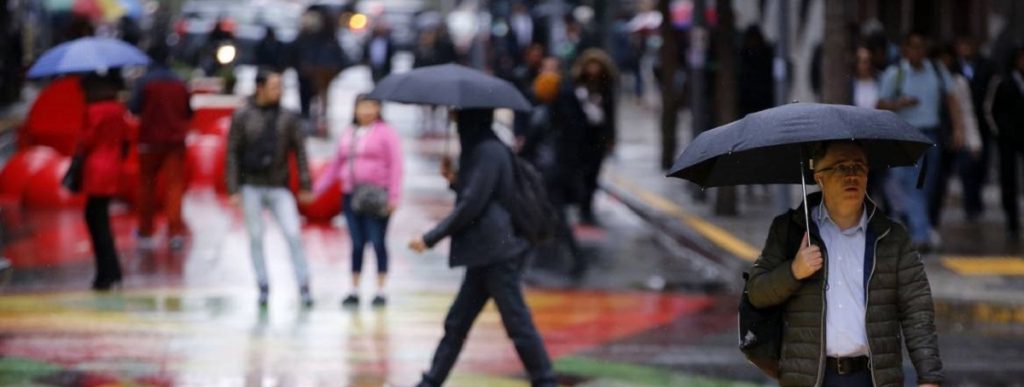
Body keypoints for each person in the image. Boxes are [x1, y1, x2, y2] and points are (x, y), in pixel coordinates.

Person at [746, 140, 943, 387]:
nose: (852, 175)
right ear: (820, 177)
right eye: (841, 167)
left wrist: (929, 378)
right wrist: (794, 272)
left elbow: (917, 310)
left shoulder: (892, 236)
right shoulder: (789, 231)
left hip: (873, 378)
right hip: (810, 378)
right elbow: (756, 292)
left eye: (858, 167)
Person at [409, 109, 556, 387]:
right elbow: (481, 196)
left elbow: (473, 204)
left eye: (459, 117)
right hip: (484, 252)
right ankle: (430, 382)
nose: (455, 121)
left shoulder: (488, 151)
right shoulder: (483, 147)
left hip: (497, 252)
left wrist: (431, 237)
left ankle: (546, 381)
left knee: (517, 323)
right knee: (457, 323)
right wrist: (455, 181)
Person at [226, 69, 315, 308]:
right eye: (275, 86)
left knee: (293, 234)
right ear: (260, 88)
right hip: (251, 186)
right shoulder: (243, 116)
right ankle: (263, 284)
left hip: (278, 185)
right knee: (256, 237)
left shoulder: (288, 117)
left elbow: (300, 152)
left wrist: (306, 184)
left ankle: (304, 283)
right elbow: (232, 152)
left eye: (281, 86)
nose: (279, 91)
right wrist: (233, 188)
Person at [876, 32, 963, 251]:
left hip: (930, 136)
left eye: (920, 46)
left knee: (925, 186)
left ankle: (915, 227)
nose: (917, 51)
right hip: (904, 135)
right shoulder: (895, 74)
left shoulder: (936, 70)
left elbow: (952, 99)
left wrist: (959, 128)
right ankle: (921, 234)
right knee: (905, 183)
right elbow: (880, 104)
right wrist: (899, 104)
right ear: (904, 50)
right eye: (912, 47)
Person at [315, 96, 403, 307]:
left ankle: (381, 289)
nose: (366, 111)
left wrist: (394, 196)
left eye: (371, 107)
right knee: (356, 243)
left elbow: (396, 165)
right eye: (362, 107)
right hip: (351, 195)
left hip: (376, 196)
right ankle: (354, 288)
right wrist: (317, 189)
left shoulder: (386, 133)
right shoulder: (348, 133)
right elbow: (336, 165)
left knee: (378, 241)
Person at [129, 44, 192, 251]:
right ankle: (174, 232)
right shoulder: (179, 83)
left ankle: (146, 229)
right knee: (174, 187)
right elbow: (188, 111)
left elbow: (134, 108)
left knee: (146, 186)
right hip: (175, 143)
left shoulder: (144, 83)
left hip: (149, 142)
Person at [78, 72, 131, 291]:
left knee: (96, 220)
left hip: (96, 168)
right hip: (112, 166)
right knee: (101, 220)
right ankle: (112, 271)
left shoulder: (93, 111)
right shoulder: (118, 109)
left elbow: (86, 140)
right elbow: (126, 139)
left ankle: (105, 273)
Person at [570, 49, 618, 225]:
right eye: (590, 65)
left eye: (596, 65)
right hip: (581, 136)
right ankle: (582, 204)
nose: (593, 69)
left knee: (594, 171)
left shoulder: (606, 88)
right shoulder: (577, 85)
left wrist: (611, 137)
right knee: (581, 171)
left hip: (598, 135)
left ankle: (587, 205)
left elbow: (611, 114)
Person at [955, 36, 997, 220]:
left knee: (981, 163)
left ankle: (977, 199)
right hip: (963, 122)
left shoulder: (987, 66)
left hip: (983, 122)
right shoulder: (955, 67)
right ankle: (969, 202)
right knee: (966, 165)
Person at [985, 47, 1024, 242]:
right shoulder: (1002, 82)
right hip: (1008, 139)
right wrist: (1000, 133)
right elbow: (989, 110)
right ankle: (1012, 224)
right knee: (1009, 181)